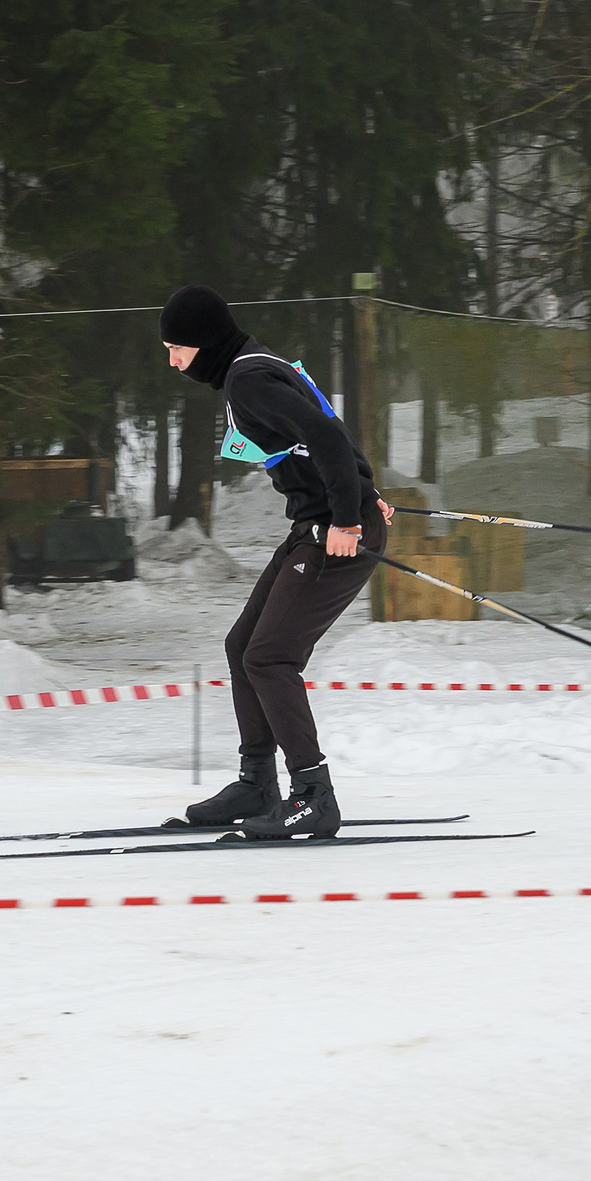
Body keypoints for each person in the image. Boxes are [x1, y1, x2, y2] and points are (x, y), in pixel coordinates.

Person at [160, 285, 392, 839]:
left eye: (177, 348)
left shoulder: (247, 378)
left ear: (205, 343)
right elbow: (323, 420)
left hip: (333, 536)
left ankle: (313, 794)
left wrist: (350, 518)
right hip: (315, 528)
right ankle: (256, 781)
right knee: (242, 647)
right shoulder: (256, 365)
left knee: (270, 656)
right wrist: (363, 490)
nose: (170, 360)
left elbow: (325, 434)